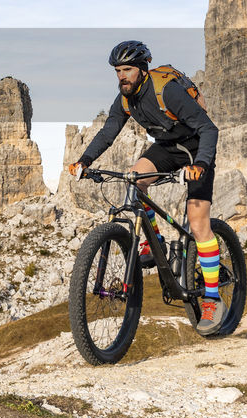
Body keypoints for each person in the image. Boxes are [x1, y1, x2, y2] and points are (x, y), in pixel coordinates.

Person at [67, 40, 226, 334]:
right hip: (167, 148)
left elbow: (208, 129)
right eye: (117, 71)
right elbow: (109, 132)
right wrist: (84, 161)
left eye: (127, 69)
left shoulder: (168, 91)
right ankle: (152, 244)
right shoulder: (125, 99)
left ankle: (213, 300)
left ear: (142, 69)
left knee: (197, 220)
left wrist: (201, 165)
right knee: (133, 179)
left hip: (196, 149)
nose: (121, 76)